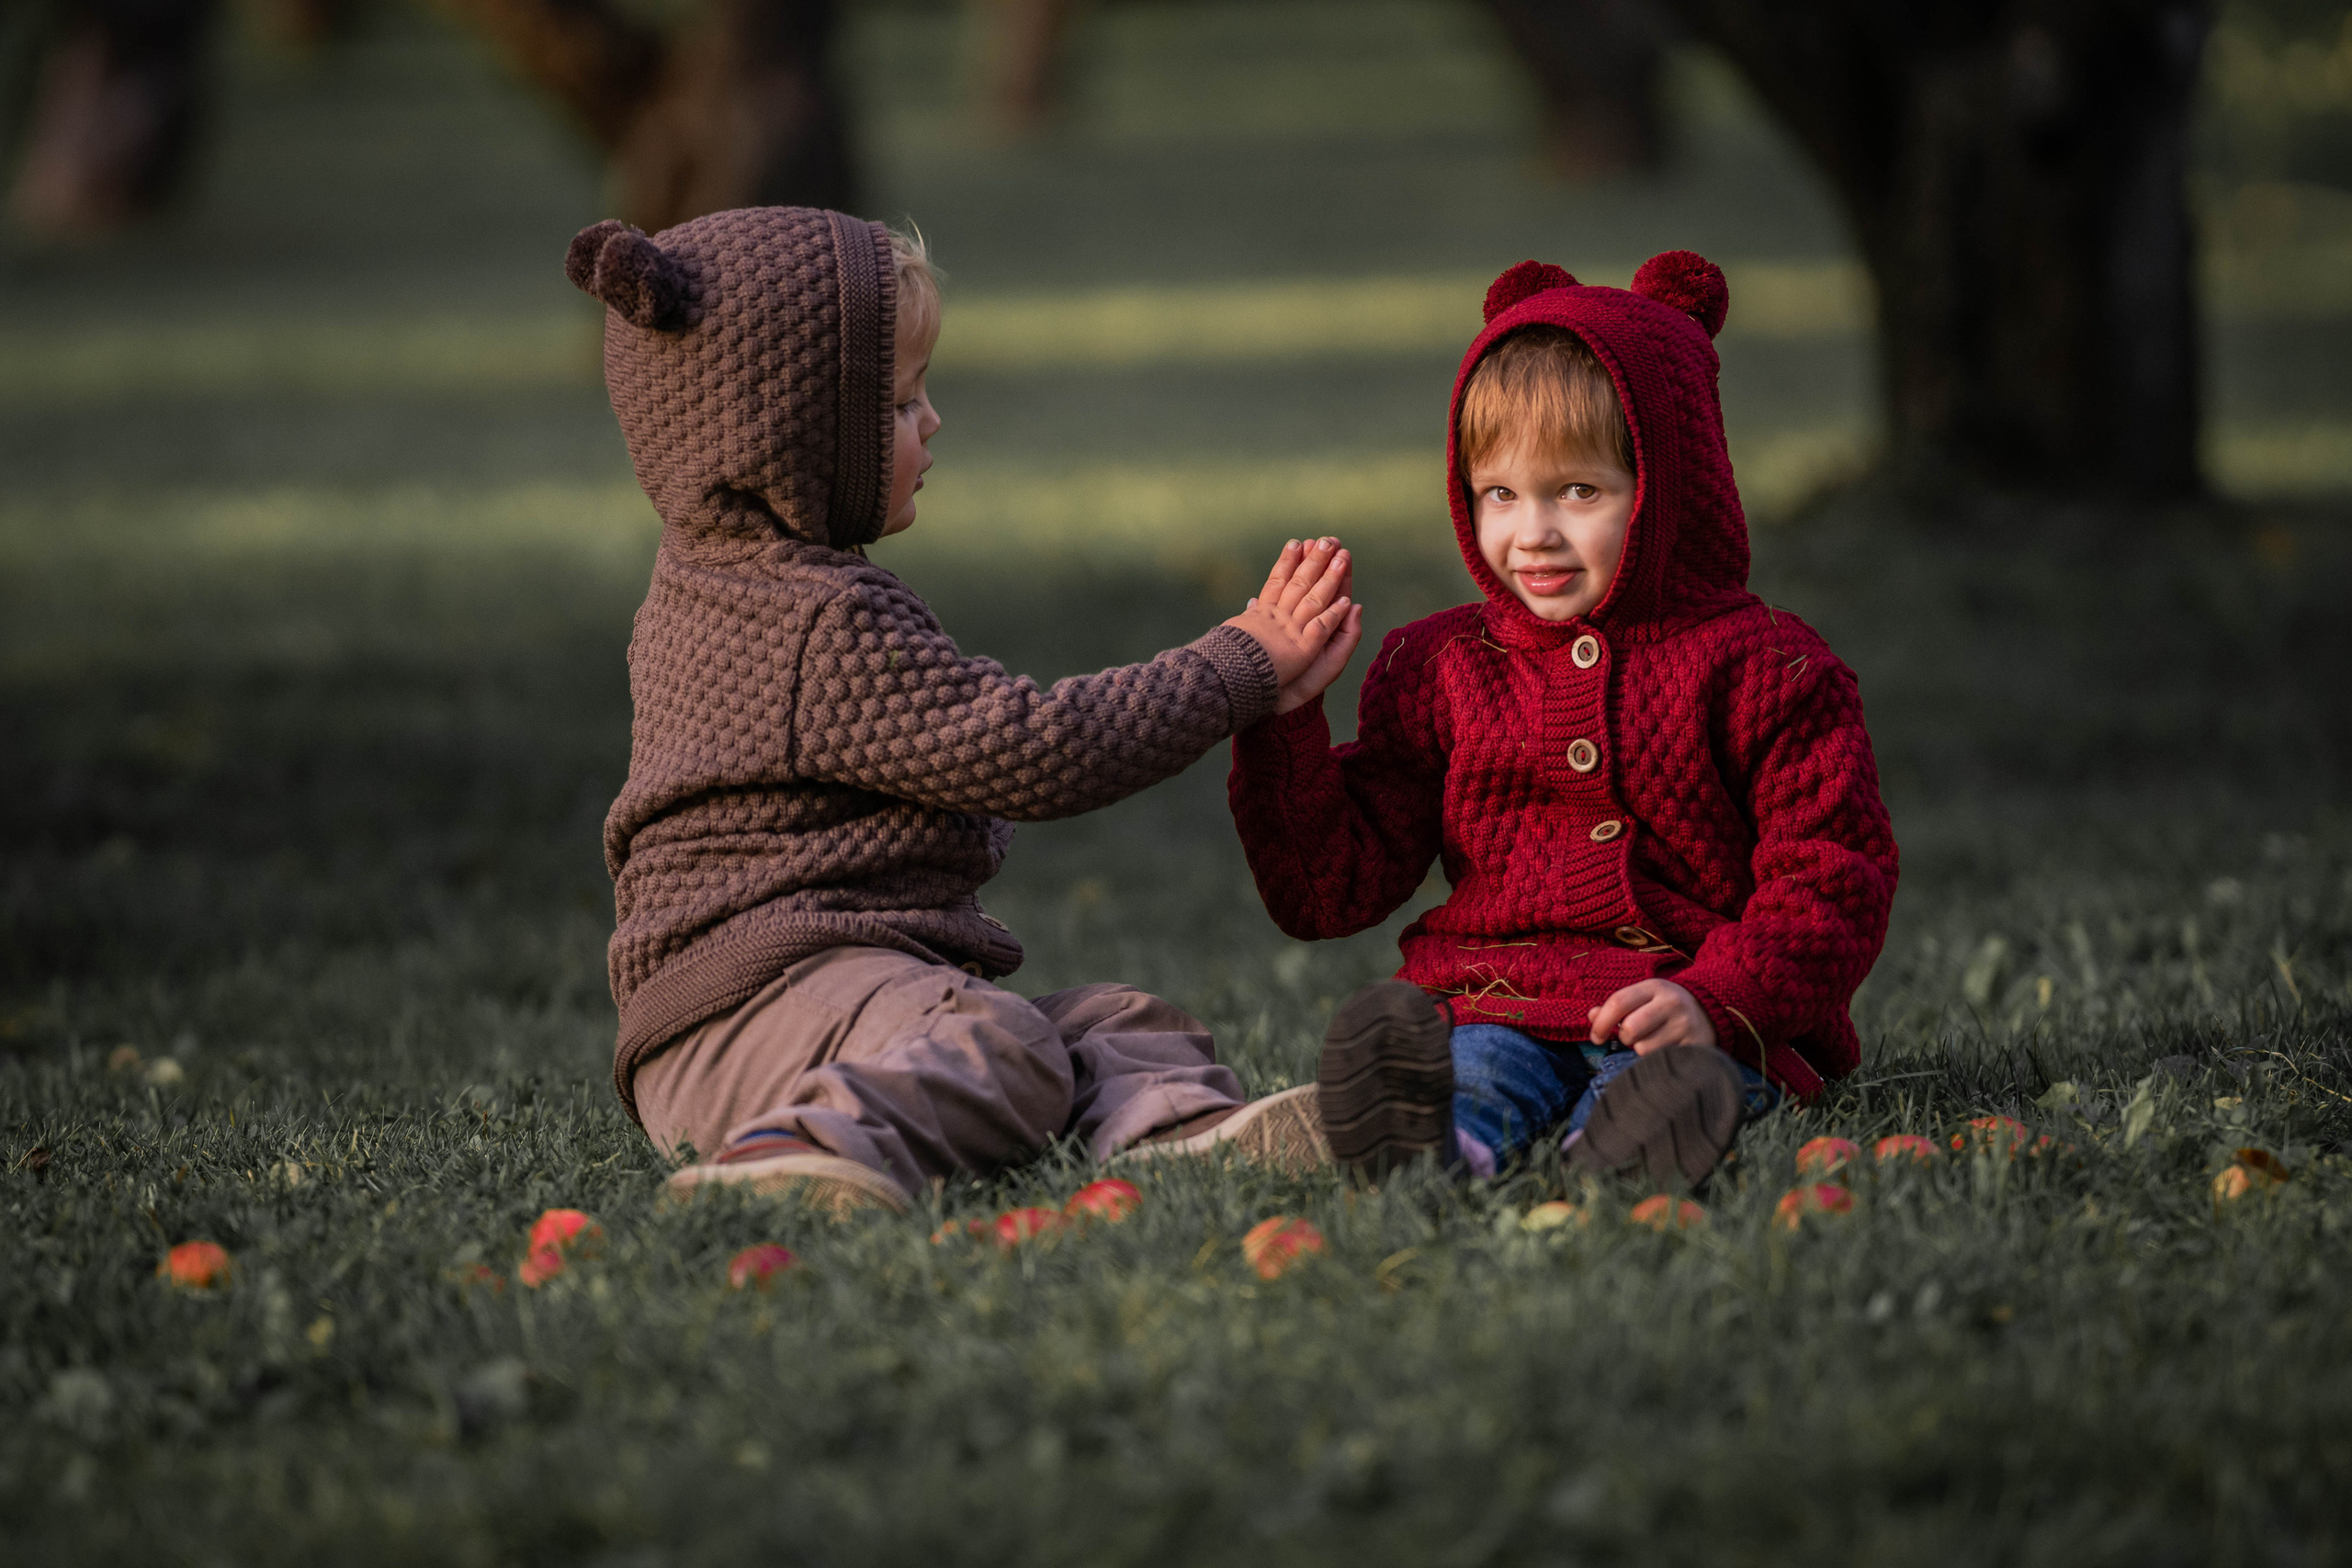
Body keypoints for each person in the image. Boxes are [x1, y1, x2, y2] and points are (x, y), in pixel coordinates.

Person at [568, 207, 1348, 1214]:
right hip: (747, 1019)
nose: (930, 422)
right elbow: (1035, 748)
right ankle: (790, 1157)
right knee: (997, 1043)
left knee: (1119, 1021)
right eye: (895, 404)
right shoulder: (815, 617)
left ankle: (1174, 1135)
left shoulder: (716, 581)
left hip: (789, 1005)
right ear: (792, 432)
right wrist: (1231, 668)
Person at [1227, 254, 1899, 1190]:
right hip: (1489, 1004)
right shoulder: (1441, 667)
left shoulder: (1771, 668)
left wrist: (1719, 997)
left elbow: (1831, 873)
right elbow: (1330, 888)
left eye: (1578, 492)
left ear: (1672, 482)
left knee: (1668, 1078)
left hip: (1683, 1005)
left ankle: (1624, 1150)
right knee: (1474, 1072)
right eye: (1499, 494)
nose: (1531, 532)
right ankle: (1430, 1148)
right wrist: (1287, 722)